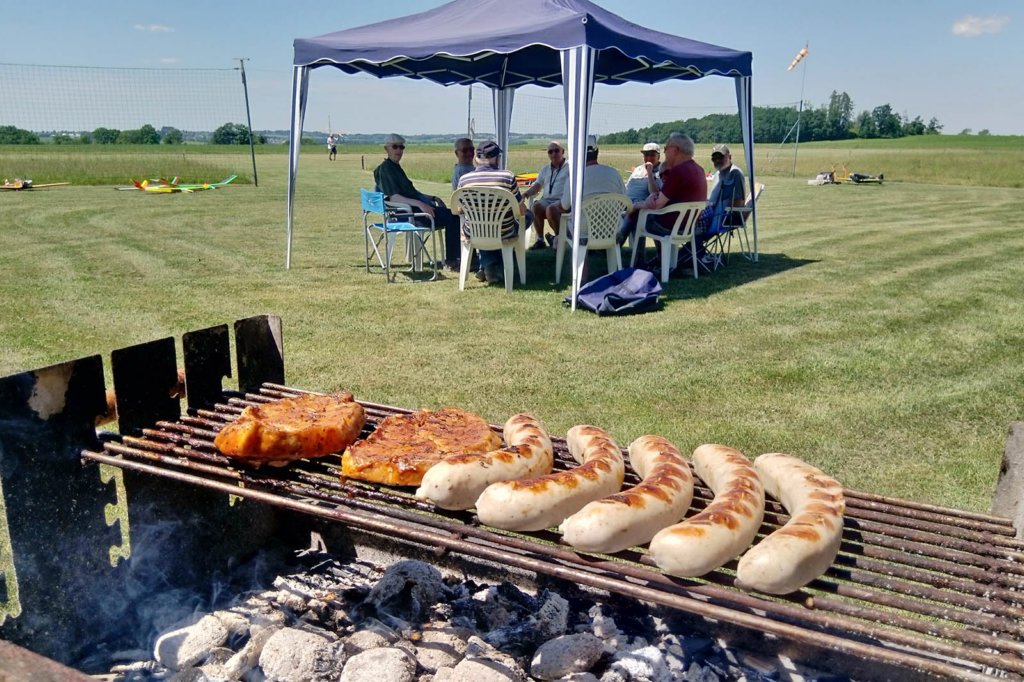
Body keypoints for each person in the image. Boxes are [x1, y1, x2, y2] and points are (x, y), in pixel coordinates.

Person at [373, 133, 462, 270]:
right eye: (395, 147)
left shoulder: (395, 167)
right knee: (454, 217)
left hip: (412, 211)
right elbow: (393, 198)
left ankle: (456, 258)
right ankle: (453, 260)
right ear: (387, 149)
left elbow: (411, 193)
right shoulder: (386, 169)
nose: (398, 150)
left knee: (451, 214)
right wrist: (421, 204)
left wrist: (432, 198)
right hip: (406, 215)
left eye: (401, 147)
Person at [618, 133, 707, 265]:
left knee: (636, 216)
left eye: (666, 148)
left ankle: (635, 261)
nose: (664, 151)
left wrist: (637, 206)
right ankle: (661, 259)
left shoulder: (678, 172)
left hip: (670, 226)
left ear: (675, 150)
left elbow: (657, 204)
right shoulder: (699, 169)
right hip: (688, 226)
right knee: (637, 214)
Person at [456, 141, 529, 284]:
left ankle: (489, 266)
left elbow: (459, 209)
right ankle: (498, 265)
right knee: (526, 217)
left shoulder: (464, 180)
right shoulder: (507, 177)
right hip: (503, 232)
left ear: (476, 158)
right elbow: (520, 210)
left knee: (484, 224)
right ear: (497, 158)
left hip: (474, 232)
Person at [521, 140, 569, 251]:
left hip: (563, 201)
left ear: (563, 152)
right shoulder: (545, 169)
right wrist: (527, 193)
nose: (553, 154)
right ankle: (540, 240)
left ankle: (559, 240)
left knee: (550, 209)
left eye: (556, 151)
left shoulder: (570, 168)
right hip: (547, 200)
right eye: (550, 152)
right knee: (536, 207)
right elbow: (538, 185)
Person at [697, 143, 746, 233]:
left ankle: (692, 246)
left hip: (721, 218)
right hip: (710, 213)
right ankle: (692, 246)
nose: (717, 160)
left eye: (721, 157)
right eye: (714, 158)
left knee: (689, 227)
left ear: (729, 156)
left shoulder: (735, 173)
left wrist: (723, 215)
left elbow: (739, 201)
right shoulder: (718, 173)